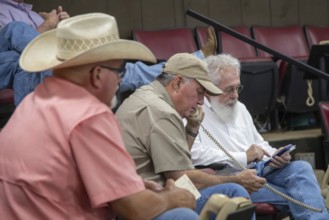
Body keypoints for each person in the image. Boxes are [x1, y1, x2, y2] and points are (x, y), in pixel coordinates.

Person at [0, 13, 199, 220]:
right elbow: (134, 209)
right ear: (97, 75)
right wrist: (173, 198)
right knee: (182, 215)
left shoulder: (31, 104)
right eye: (119, 72)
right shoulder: (89, 115)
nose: (119, 82)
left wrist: (132, 188)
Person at [116, 53, 265, 219]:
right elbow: (181, 177)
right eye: (199, 92)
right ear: (178, 83)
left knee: (232, 191)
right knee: (233, 191)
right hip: (146, 204)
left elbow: (176, 162)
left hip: (145, 195)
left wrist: (192, 128)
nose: (201, 102)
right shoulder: (162, 112)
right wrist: (235, 179)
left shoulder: (149, 94)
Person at [191, 53, 329, 219]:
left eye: (238, 88)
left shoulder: (239, 107)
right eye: (229, 89)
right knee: (306, 195)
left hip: (261, 168)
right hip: (232, 176)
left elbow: (259, 143)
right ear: (208, 88)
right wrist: (244, 156)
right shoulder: (195, 112)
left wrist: (275, 155)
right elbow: (195, 155)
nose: (235, 95)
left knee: (301, 168)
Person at [0, 17, 216, 106]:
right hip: (31, 70)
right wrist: (45, 28)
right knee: (16, 32)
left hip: (45, 66)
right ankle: (192, 61)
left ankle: (192, 61)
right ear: (95, 77)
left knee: (128, 71)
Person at [0, 0, 70, 32]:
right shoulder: (2, 10)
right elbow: (9, 50)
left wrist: (64, 25)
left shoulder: (34, 14)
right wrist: (48, 24)